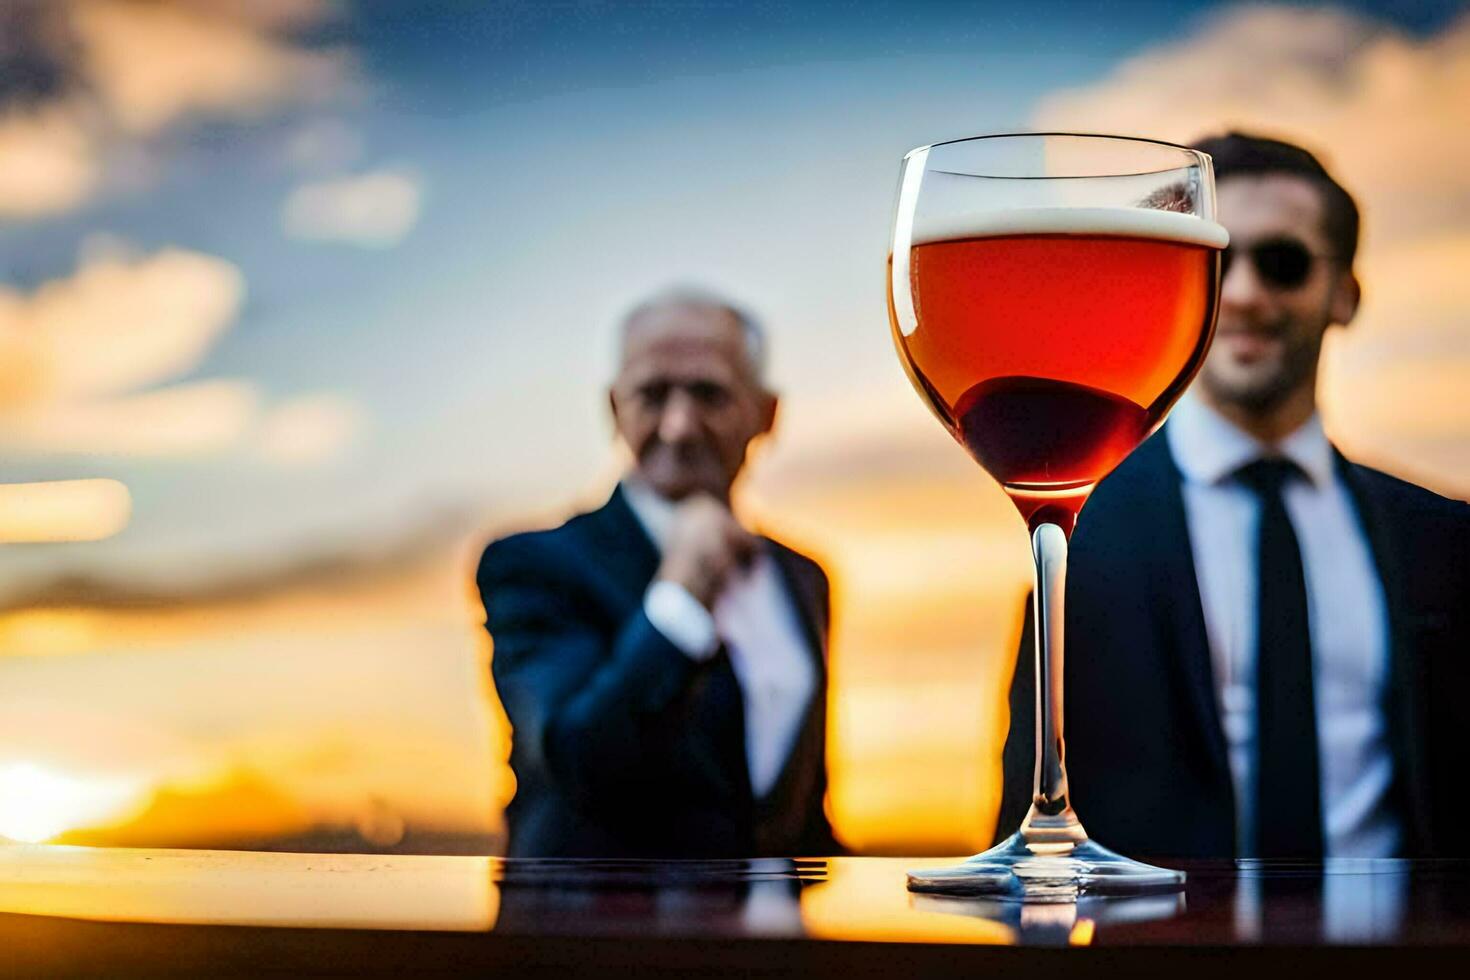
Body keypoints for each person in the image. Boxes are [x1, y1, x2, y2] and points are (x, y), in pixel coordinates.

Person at [998, 133, 1470, 860]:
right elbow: (1022, 834)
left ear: (1345, 295)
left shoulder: (1444, 539)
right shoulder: (1073, 526)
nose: (1245, 293)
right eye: (1213, 263)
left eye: (1282, 263)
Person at [477, 288, 840, 858]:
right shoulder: (531, 566)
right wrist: (683, 590)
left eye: (709, 393)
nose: (678, 426)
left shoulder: (804, 578)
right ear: (614, 410)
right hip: (585, 943)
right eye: (652, 394)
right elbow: (580, 761)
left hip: (773, 942)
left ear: (767, 414)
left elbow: (799, 807)